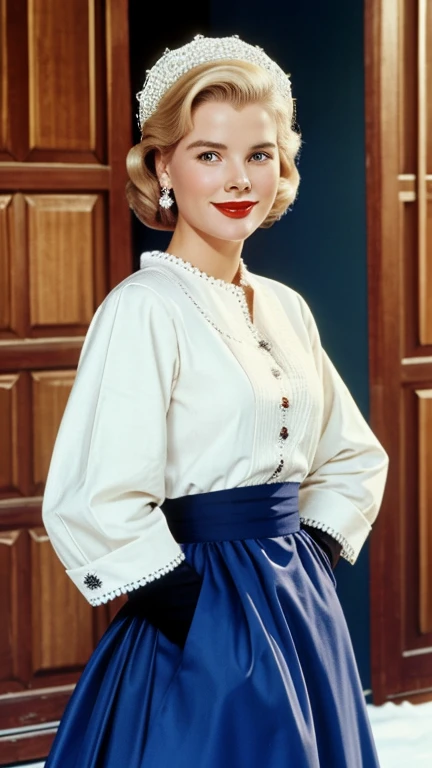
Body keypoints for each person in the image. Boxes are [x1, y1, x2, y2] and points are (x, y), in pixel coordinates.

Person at [42, 34, 388, 767]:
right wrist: (201, 614)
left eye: (258, 155)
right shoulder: (143, 309)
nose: (238, 180)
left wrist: (313, 559)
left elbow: (351, 454)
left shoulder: (287, 308)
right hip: (196, 618)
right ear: (163, 165)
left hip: (299, 610)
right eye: (209, 154)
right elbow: (93, 497)